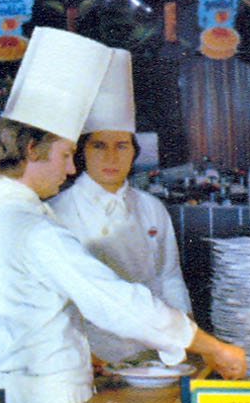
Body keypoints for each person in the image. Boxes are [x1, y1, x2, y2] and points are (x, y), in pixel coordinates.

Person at [0, 30, 243, 403]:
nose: (70, 169)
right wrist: (213, 347)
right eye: (67, 155)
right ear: (31, 151)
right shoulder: (38, 231)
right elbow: (119, 303)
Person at [51, 131, 190, 364]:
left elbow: (169, 276)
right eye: (99, 146)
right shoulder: (57, 211)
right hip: (89, 354)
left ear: (134, 151)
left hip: (152, 351)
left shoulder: (151, 207)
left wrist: (186, 335)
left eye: (121, 146)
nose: (111, 157)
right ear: (81, 153)